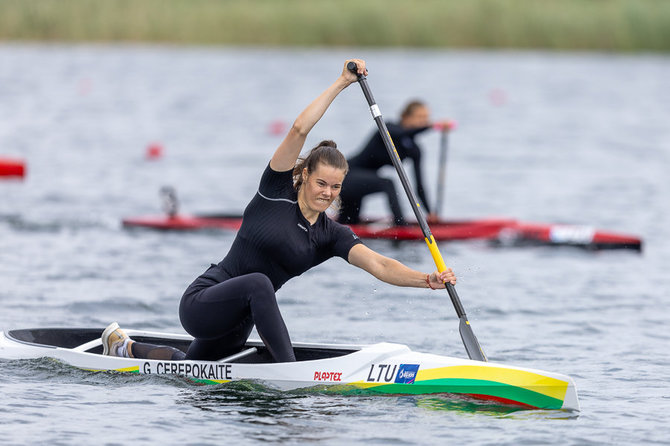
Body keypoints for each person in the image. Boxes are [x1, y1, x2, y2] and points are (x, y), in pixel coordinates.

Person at [102, 59, 457, 363]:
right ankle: (289, 373)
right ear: (304, 176)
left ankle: (124, 348)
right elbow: (300, 128)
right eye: (321, 184)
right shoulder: (275, 190)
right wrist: (343, 82)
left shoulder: (330, 235)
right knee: (260, 283)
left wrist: (427, 280)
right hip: (202, 303)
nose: (328, 193)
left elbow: (380, 265)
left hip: (241, 319)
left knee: (189, 367)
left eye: (335, 188)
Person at [338, 100, 452, 226]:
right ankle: (401, 226)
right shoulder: (389, 128)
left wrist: (430, 213)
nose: (424, 121)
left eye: (426, 118)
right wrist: (432, 126)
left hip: (363, 182)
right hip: (346, 176)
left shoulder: (414, 150)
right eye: (420, 117)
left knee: (348, 223)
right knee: (388, 183)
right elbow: (403, 133)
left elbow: (419, 185)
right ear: (406, 117)